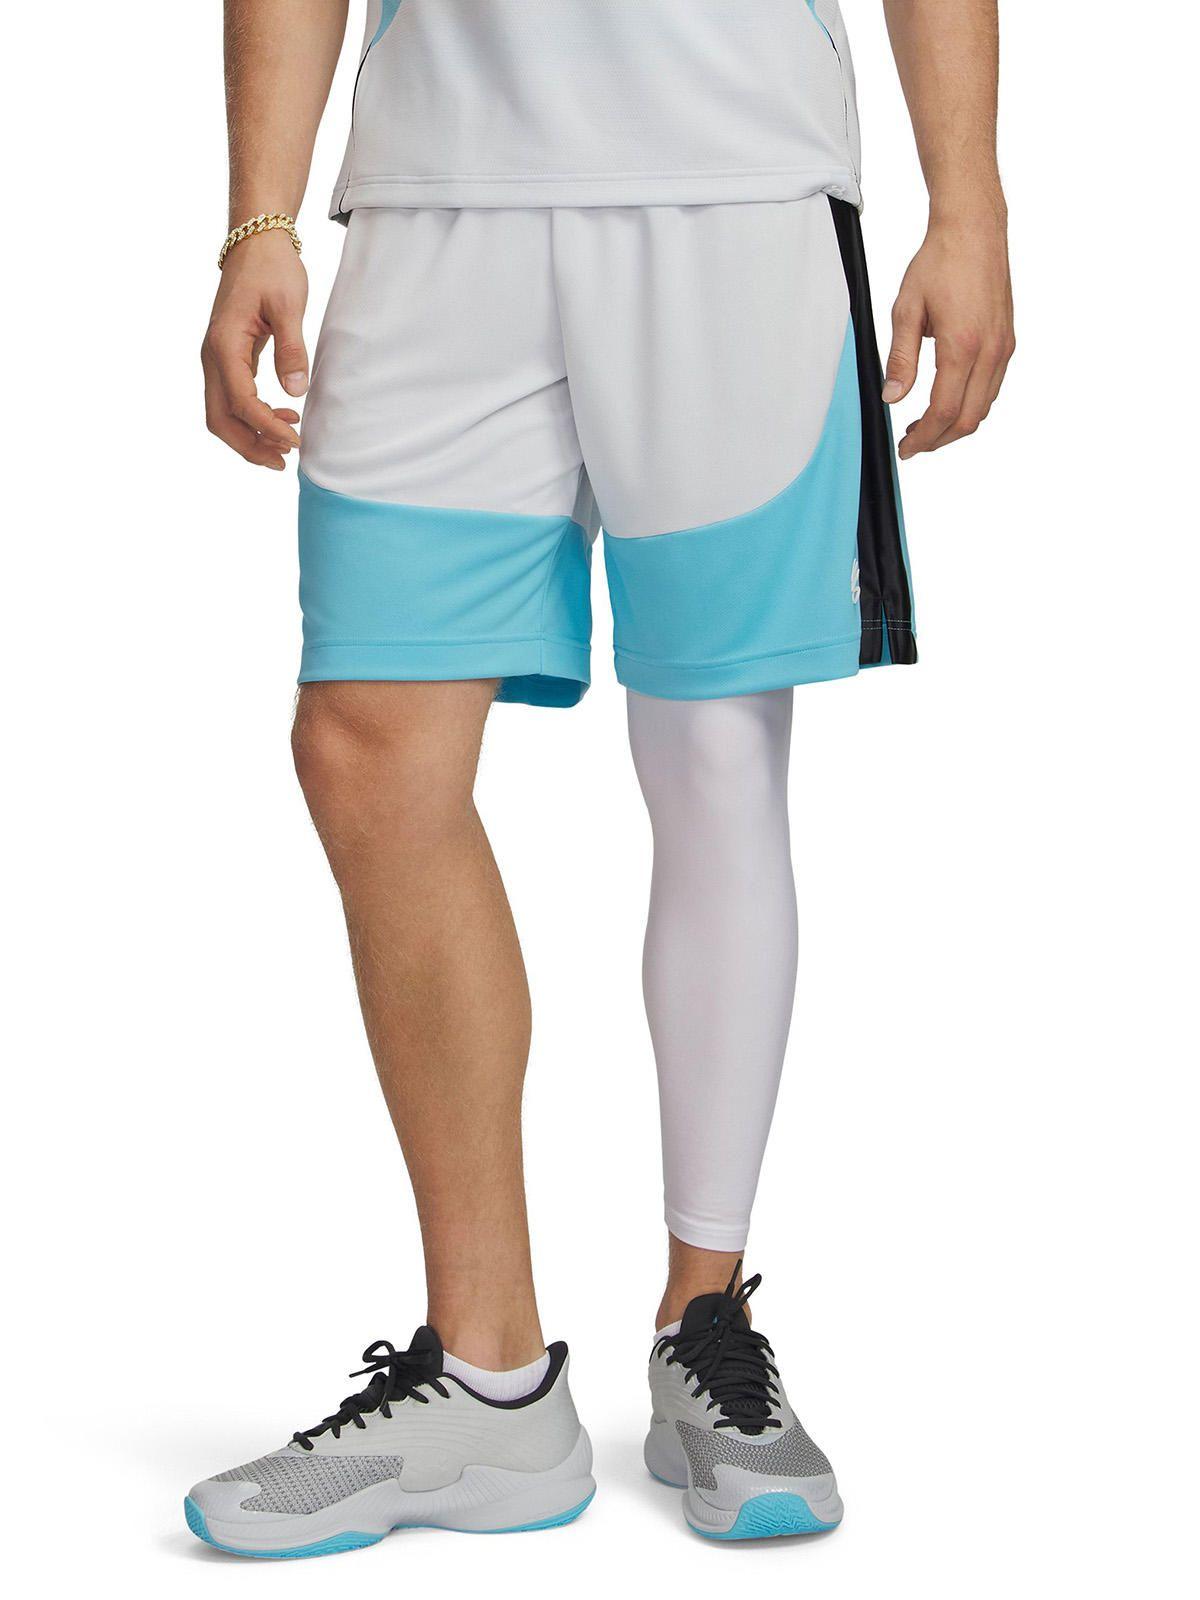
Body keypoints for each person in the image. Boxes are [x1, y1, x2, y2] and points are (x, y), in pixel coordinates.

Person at [187, 0, 1014, 1554]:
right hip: (438, 187)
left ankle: (707, 1327)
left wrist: (967, 202)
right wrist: (259, 215)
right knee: (365, 745)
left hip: (737, 181)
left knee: (714, 753)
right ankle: (490, 1383)